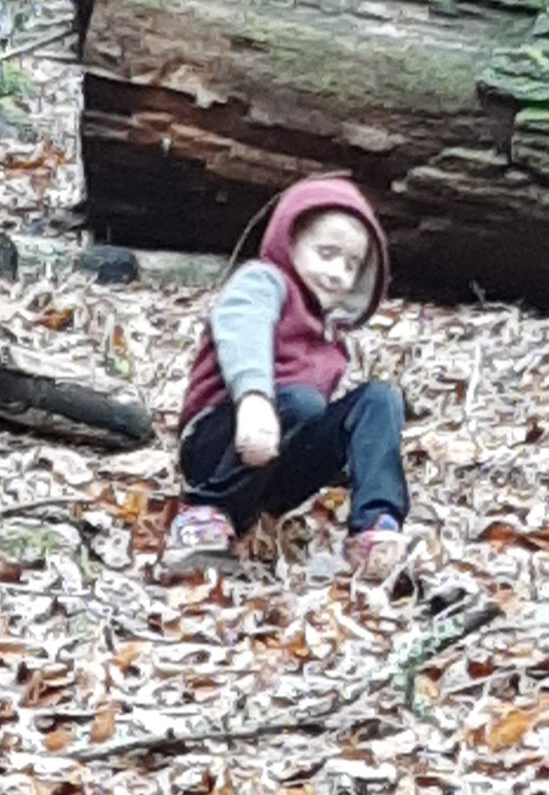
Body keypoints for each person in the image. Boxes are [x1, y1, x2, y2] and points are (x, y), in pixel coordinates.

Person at [162, 175, 409, 586]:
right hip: (221, 442)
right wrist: (254, 398)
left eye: (351, 265)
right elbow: (243, 329)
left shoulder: (330, 332)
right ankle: (203, 515)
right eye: (326, 254)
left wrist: (350, 453)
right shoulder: (264, 282)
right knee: (300, 402)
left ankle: (374, 531)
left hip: (278, 459)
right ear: (290, 242)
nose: (336, 274)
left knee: (379, 400)